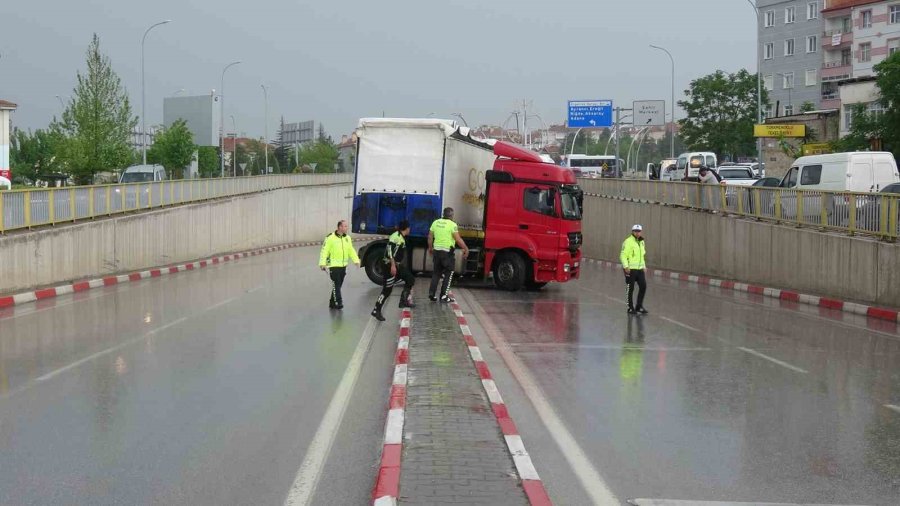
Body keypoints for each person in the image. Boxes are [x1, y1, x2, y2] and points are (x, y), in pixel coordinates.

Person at [371, 220, 415, 321]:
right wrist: (393, 266)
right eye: (409, 228)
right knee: (387, 290)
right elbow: (389, 251)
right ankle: (376, 309)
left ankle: (403, 301)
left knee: (410, 279)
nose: (410, 229)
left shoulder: (401, 237)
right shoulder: (396, 237)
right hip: (389, 265)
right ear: (407, 228)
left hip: (396, 265)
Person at [428, 207, 469, 303]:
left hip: (437, 252)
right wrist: (466, 248)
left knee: (436, 273)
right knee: (449, 273)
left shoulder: (435, 222)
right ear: (451, 215)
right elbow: (458, 239)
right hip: (447, 253)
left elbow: (430, 236)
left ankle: (431, 294)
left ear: (443, 214)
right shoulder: (452, 225)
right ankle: (444, 296)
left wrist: (430, 248)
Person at [319, 220, 360, 310]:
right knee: (336, 284)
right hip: (333, 266)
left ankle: (332, 302)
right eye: (345, 226)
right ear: (339, 227)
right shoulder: (330, 237)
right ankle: (338, 302)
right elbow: (324, 251)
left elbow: (351, 250)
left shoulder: (347, 238)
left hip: (343, 266)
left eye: (346, 226)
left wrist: (356, 260)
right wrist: (322, 263)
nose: (346, 228)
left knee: (338, 285)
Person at [620, 224, 648, 315]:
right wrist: (626, 267)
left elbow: (642, 256)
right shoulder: (628, 241)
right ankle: (630, 307)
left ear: (641, 232)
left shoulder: (642, 242)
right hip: (630, 269)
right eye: (635, 231)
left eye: (639, 231)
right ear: (632, 231)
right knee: (630, 288)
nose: (637, 233)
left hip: (639, 269)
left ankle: (639, 306)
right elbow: (623, 255)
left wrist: (644, 266)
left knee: (643, 286)